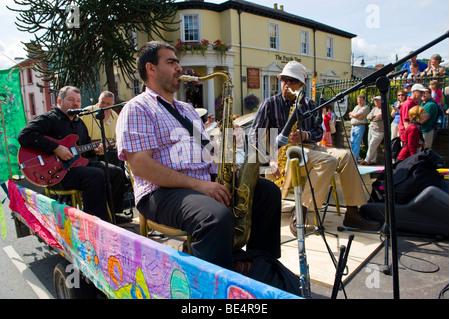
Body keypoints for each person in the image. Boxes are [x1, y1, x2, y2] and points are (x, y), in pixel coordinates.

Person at [115, 41, 281, 270]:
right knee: (216, 217)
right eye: (171, 62)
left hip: (200, 183)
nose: (179, 68)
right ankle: (211, 287)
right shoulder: (137, 108)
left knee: (268, 193)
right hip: (159, 192)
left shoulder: (187, 109)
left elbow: (207, 152)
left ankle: (259, 267)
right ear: (151, 69)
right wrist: (201, 186)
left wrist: (228, 153)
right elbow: (141, 166)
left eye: (178, 62)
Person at [248, 61, 380, 231]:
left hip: (309, 148)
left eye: (292, 80)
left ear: (301, 85)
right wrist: (268, 160)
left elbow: (318, 132)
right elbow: (254, 136)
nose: (287, 84)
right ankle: (302, 213)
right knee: (327, 161)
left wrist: (305, 135)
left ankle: (353, 213)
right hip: (285, 153)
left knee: (347, 155)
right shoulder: (269, 104)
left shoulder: (308, 104)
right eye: (284, 79)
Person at [18, 86, 126, 222]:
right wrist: (56, 147)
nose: (75, 104)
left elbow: (83, 148)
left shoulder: (79, 123)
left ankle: (112, 215)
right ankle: (94, 222)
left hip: (78, 165)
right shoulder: (49, 119)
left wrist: (94, 150)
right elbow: (25, 135)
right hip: (59, 172)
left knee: (117, 172)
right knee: (95, 175)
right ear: (59, 101)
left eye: (78, 101)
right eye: (71, 100)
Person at [82, 91, 122, 167]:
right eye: (102, 102)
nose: (104, 106)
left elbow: (117, 138)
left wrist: (108, 145)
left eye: (108, 104)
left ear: (113, 104)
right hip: (87, 153)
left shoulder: (115, 116)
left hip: (107, 153)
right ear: (98, 100)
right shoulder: (86, 113)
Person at [361, 96, 384, 166]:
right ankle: (372, 160)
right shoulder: (374, 109)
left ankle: (366, 159)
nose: (376, 102)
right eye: (375, 101)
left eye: (377, 101)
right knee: (371, 145)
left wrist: (373, 117)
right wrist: (374, 115)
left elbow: (380, 116)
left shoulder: (383, 108)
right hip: (371, 128)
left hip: (379, 130)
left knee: (372, 145)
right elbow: (368, 117)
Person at [349, 95, 370, 161]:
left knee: (356, 142)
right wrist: (355, 116)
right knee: (352, 142)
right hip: (353, 126)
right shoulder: (356, 107)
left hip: (360, 126)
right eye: (358, 100)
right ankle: (352, 156)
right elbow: (350, 114)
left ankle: (355, 158)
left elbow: (355, 115)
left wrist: (354, 115)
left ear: (364, 100)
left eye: (360, 100)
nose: (359, 102)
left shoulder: (365, 107)